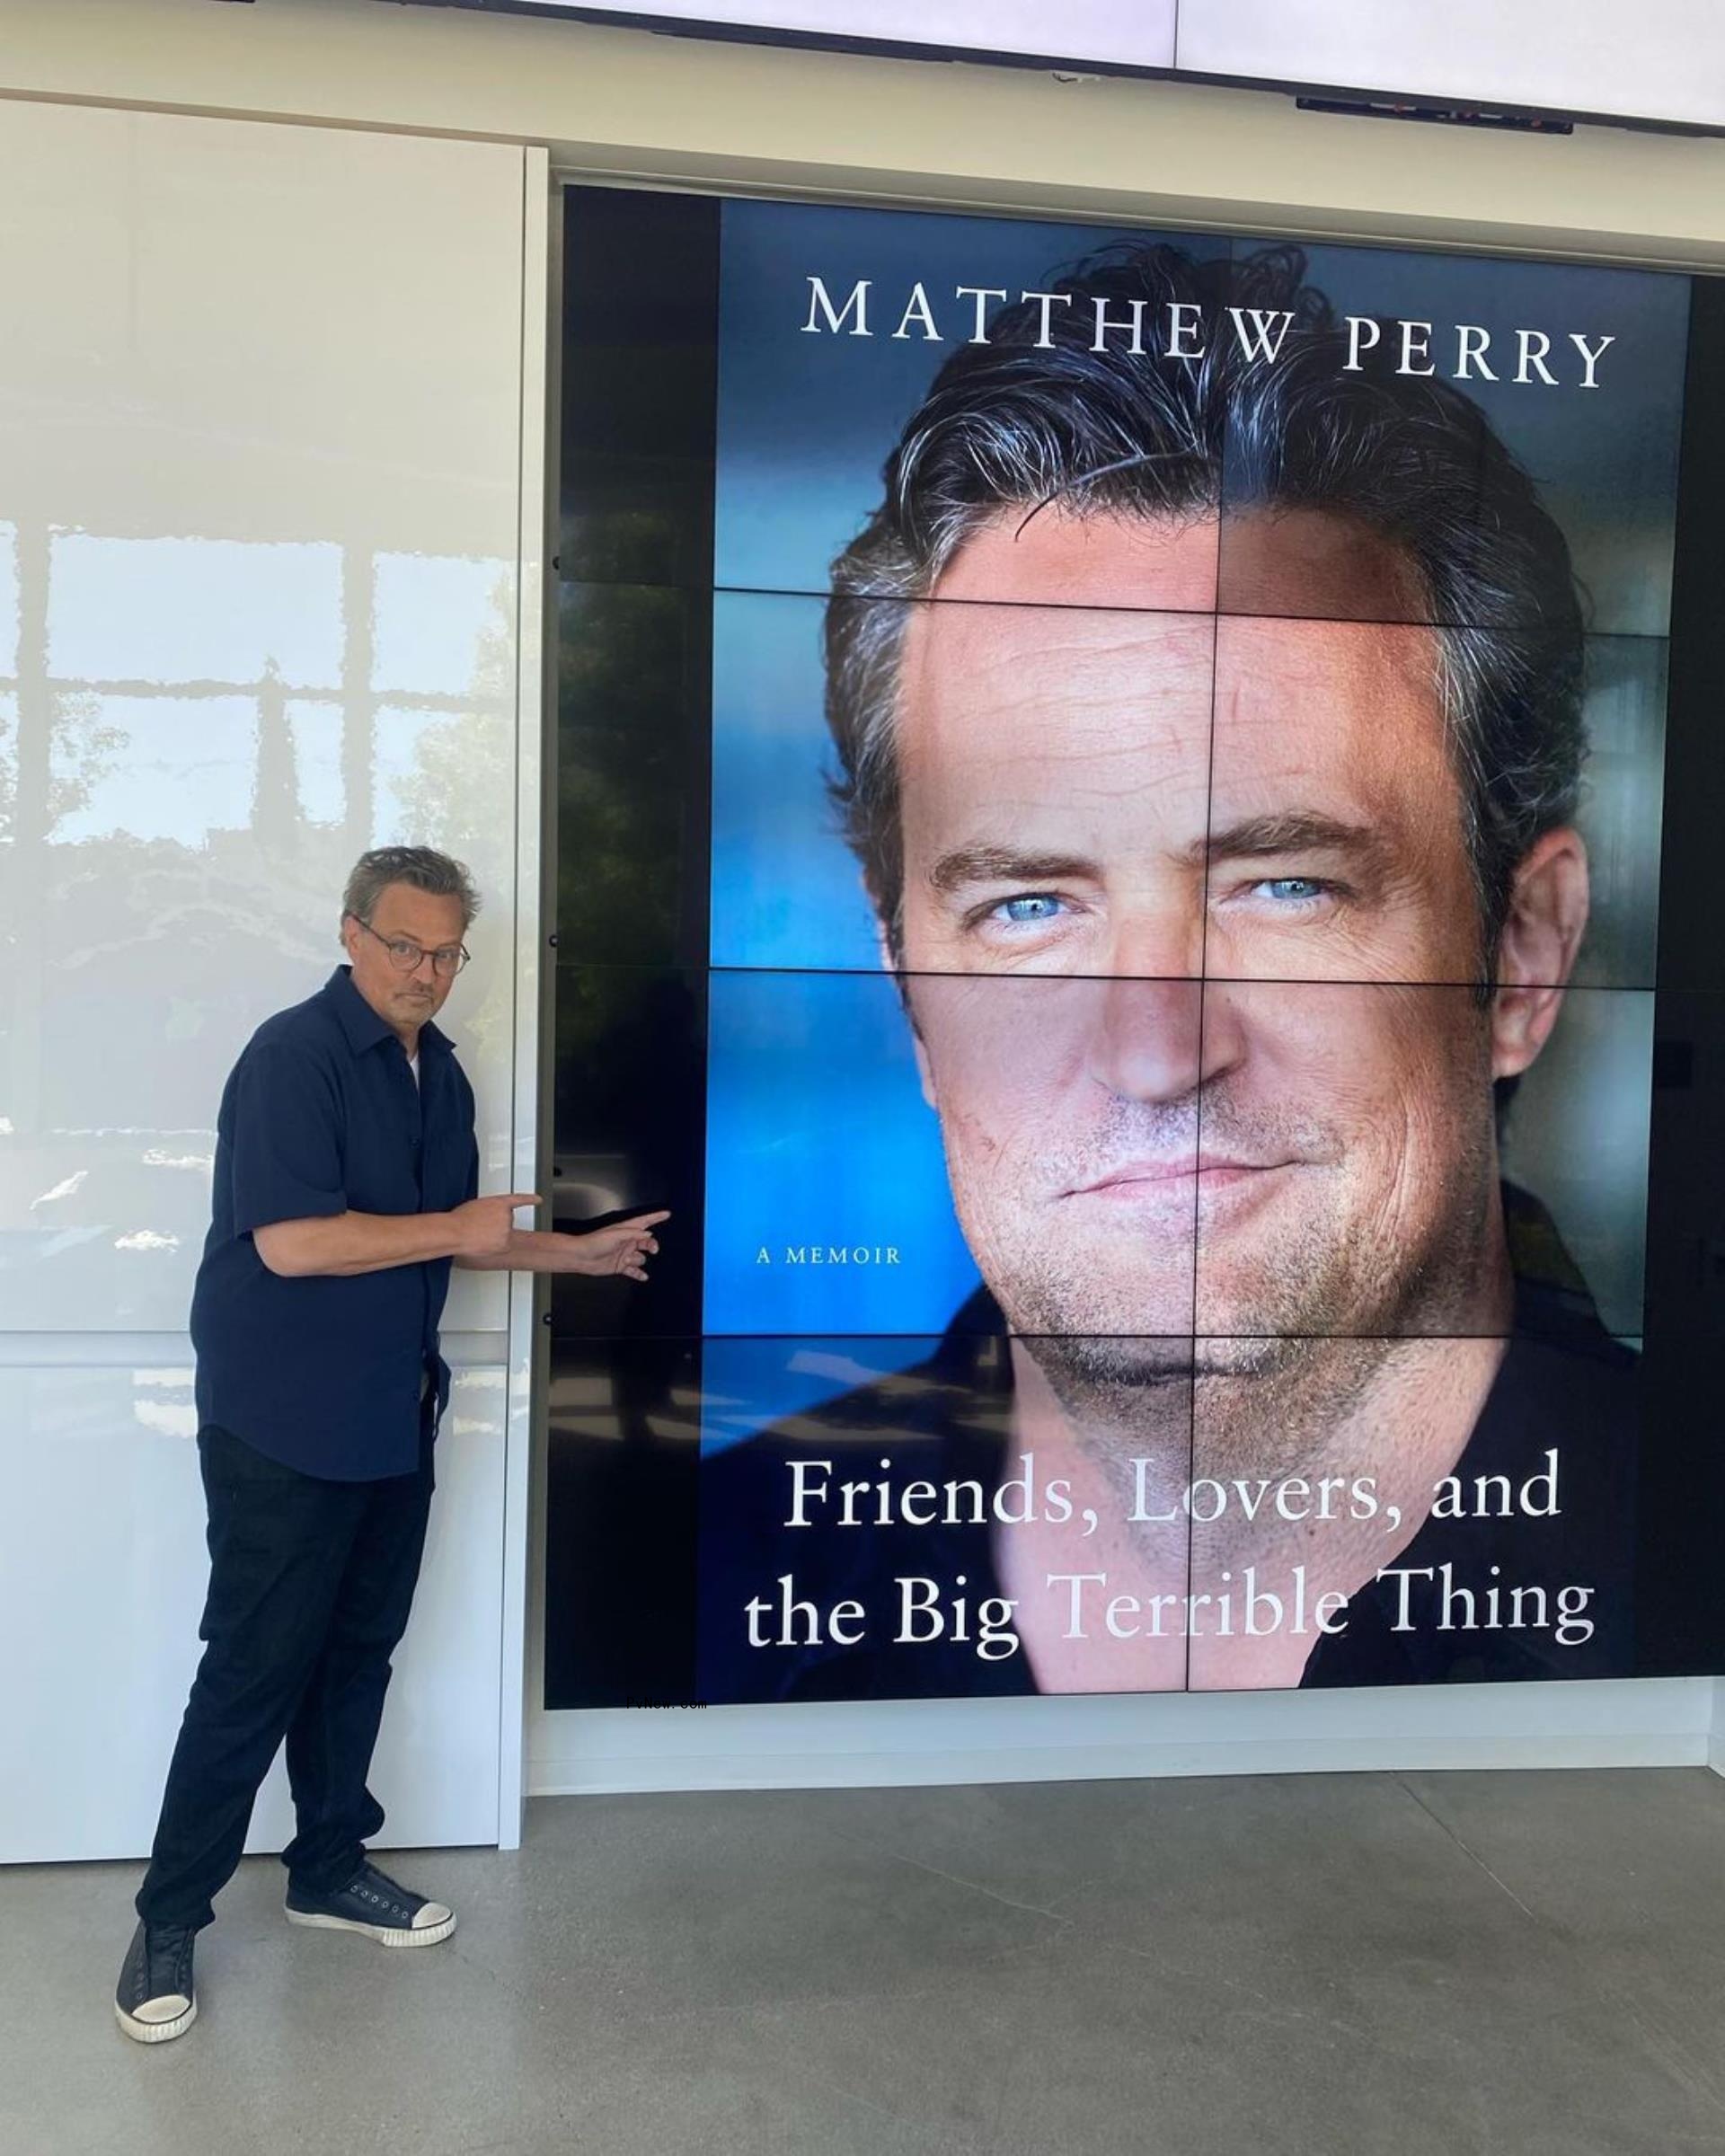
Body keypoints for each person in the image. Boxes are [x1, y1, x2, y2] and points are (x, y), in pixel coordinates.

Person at [699, 243, 1637, 1703]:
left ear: (1521, 954)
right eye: (1026, 907)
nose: (1154, 1047)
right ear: (911, 1002)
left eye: (1285, 885)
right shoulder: (697, 1573)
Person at [117, 845, 668, 2045]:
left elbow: (449, 1240)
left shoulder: (442, 1076)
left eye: (447, 952)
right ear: (353, 935)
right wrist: (454, 1225)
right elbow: (293, 1246)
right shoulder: (294, 1057)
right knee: (258, 1666)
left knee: (360, 1649)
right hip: (280, 1417)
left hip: (388, 1408)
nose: (427, 971)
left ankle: (326, 1867)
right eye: (405, 945)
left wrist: (576, 1253)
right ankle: (168, 1919)